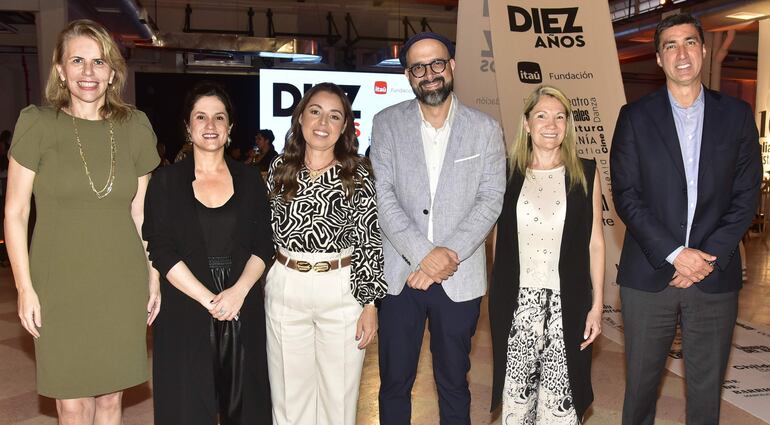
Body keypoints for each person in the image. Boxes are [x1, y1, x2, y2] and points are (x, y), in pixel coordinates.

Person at [3, 19, 160, 424]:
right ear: (60, 68)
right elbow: (15, 212)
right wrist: (24, 288)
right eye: (78, 61)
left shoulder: (135, 127)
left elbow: (142, 213)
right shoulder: (36, 123)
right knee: (70, 402)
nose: (88, 72)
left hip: (120, 280)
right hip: (58, 283)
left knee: (110, 399)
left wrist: (152, 275)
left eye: (98, 62)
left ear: (112, 72)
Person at [610, 13, 762, 425]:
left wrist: (704, 257)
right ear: (659, 59)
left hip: (714, 274)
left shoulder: (736, 115)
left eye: (690, 43)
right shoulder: (635, 117)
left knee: (706, 390)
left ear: (704, 50)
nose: (682, 53)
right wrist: (676, 254)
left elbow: (746, 195)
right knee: (640, 387)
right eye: (670, 45)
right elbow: (627, 194)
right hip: (649, 274)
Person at [370, 32, 506, 424]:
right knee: (394, 382)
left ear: (452, 66)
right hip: (400, 277)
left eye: (436, 64)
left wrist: (446, 256)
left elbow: (490, 199)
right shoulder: (386, 124)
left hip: (458, 276)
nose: (428, 74)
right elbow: (383, 196)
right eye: (418, 67)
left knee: (454, 383)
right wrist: (425, 256)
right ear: (408, 75)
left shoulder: (485, 129)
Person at [143, 81, 273, 424]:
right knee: (186, 405)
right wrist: (209, 300)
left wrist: (238, 293)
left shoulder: (249, 180)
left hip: (241, 302)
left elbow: (264, 243)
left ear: (230, 127)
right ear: (188, 126)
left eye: (219, 117)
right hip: (186, 303)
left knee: (246, 406)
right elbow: (161, 248)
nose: (210, 125)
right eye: (201, 117)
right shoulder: (166, 182)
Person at [265, 82, 386, 425]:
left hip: (341, 288)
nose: (323, 122)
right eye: (315, 111)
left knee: (339, 399)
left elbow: (369, 239)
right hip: (286, 285)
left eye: (334, 116)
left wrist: (369, 304)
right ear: (301, 117)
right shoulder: (279, 169)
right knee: (289, 400)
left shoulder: (358, 173)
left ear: (345, 126)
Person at [488, 85, 604, 424]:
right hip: (516, 305)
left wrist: (596, 306)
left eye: (559, 117)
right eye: (541, 115)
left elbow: (595, 242)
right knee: (515, 404)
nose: (551, 124)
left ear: (567, 125)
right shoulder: (507, 173)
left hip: (566, 305)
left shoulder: (586, 172)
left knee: (560, 406)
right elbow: (498, 237)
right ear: (526, 124)